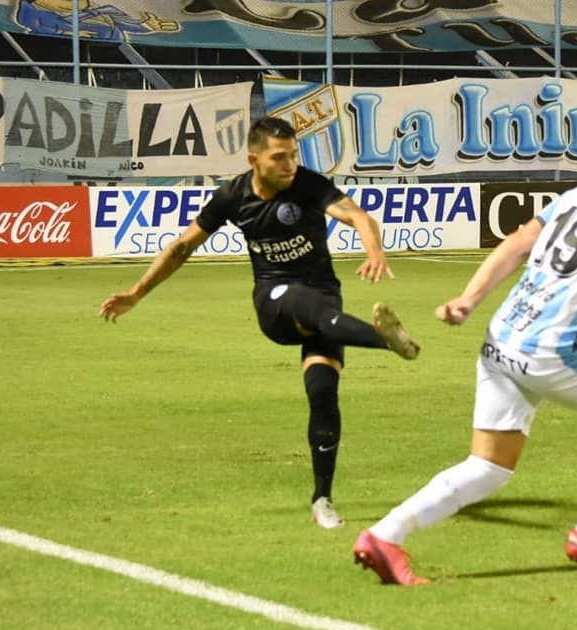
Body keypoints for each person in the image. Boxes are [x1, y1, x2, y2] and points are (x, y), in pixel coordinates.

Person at [352, 112, 577, 585]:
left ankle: (386, 536)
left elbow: (518, 242)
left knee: (488, 467)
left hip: (503, 338)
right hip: (555, 352)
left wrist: (469, 298)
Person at [98, 116, 421, 530]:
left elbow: (358, 216)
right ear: (254, 159)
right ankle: (383, 339)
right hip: (276, 303)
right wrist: (136, 293)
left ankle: (322, 499)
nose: (290, 165)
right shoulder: (232, 197)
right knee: (305, 303)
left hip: (327, 305)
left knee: (323, 392)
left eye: (294, 156)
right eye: (279, 157)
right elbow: (181, 247)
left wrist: (374, 250)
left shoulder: (308, 185)